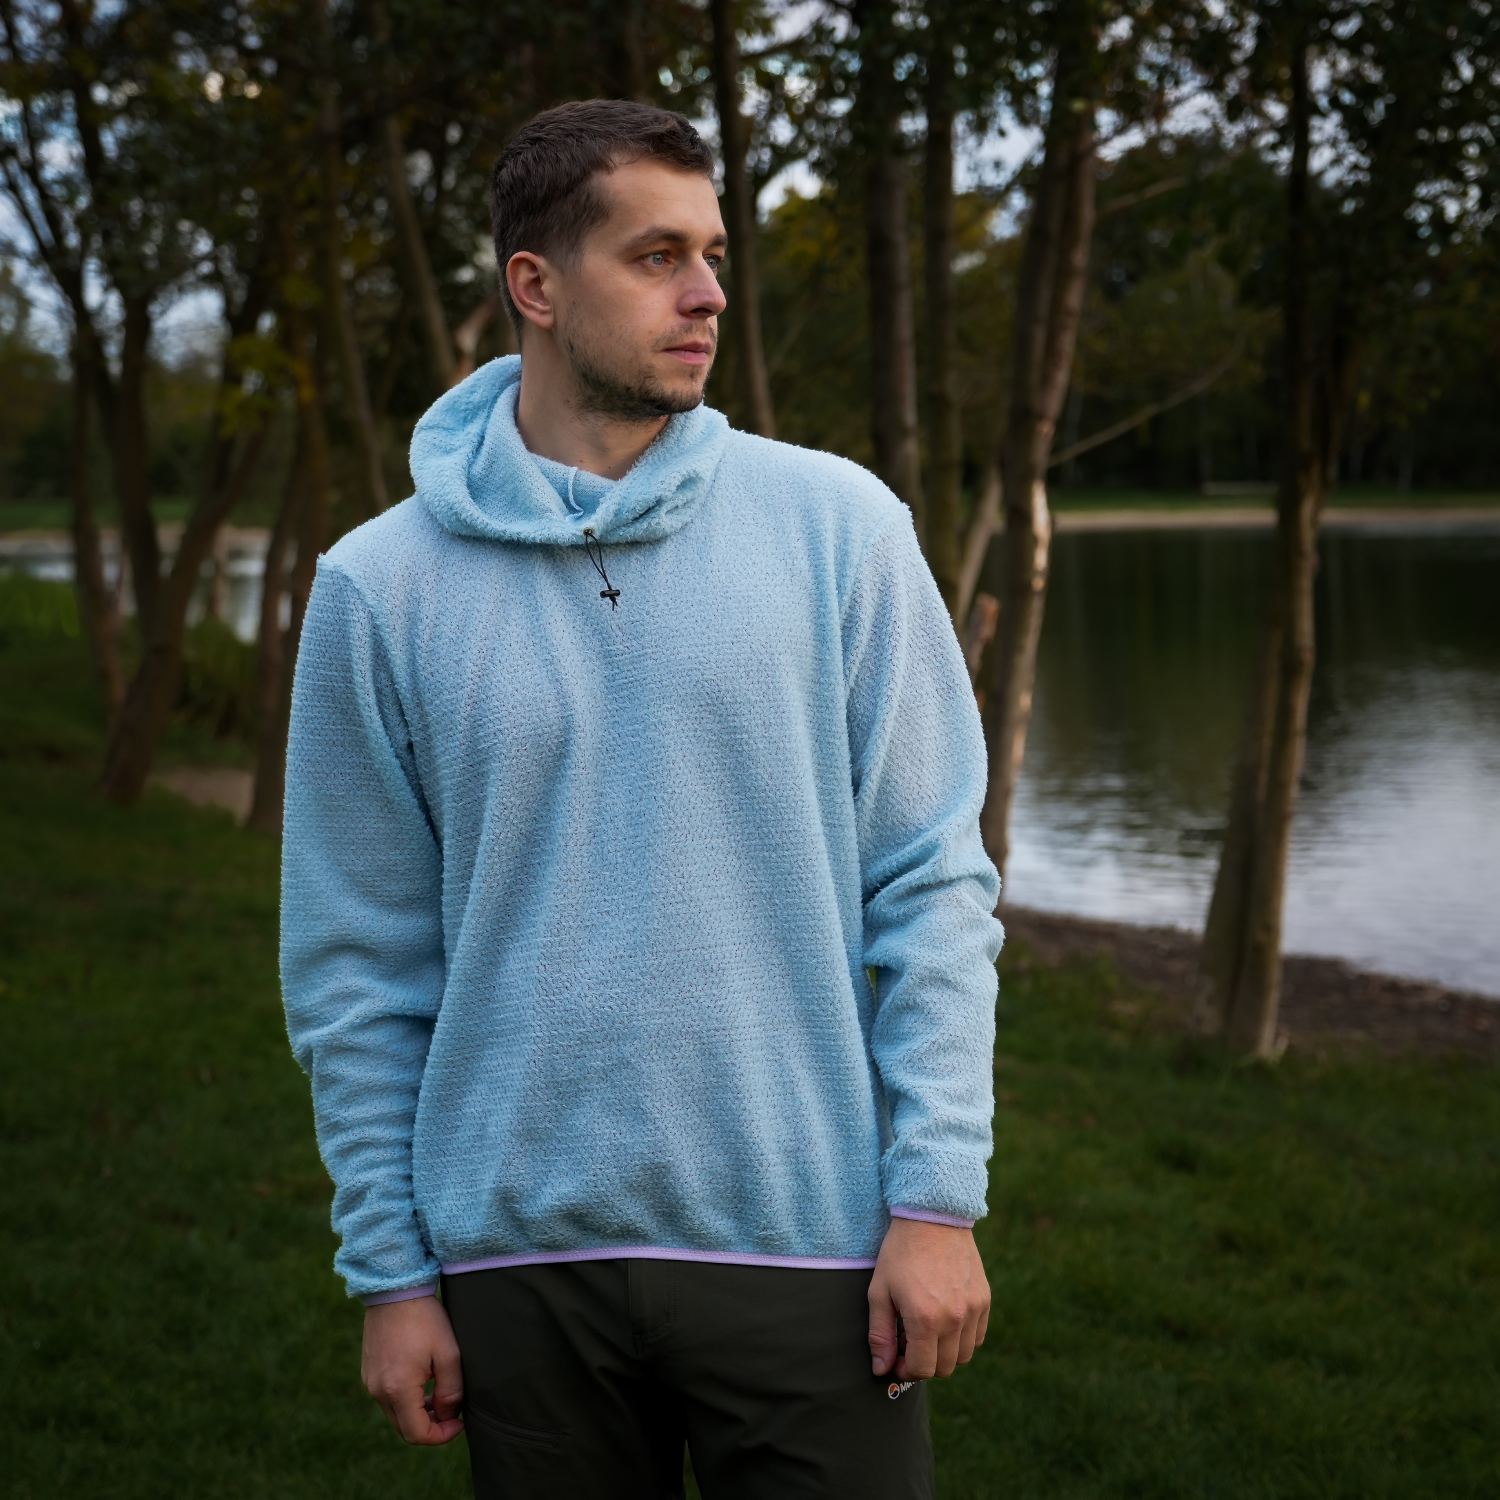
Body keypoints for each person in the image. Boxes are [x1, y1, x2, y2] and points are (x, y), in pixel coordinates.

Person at [278, 96, 1006, 1499]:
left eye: (713, 253)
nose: (709, 292)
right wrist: (391, 1274)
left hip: (809, 1247)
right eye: (658, 255)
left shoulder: (839, 529)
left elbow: (932, 881)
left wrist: (936, 1197)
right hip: (518, 1268)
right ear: (536, 286)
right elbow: (358, 963)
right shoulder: (379, 586)